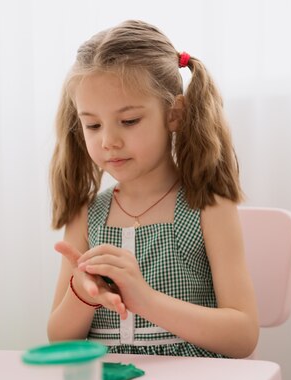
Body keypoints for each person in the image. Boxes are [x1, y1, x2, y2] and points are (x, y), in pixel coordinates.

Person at [46, 20, 258, 358]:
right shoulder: (85, 216)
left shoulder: (208, 207)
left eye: (129, 121)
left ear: (173, 115)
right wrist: (83, 295)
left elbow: (243, 335)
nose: (108, 141)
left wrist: (143, 299)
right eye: (93, 124)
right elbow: (58, 339)